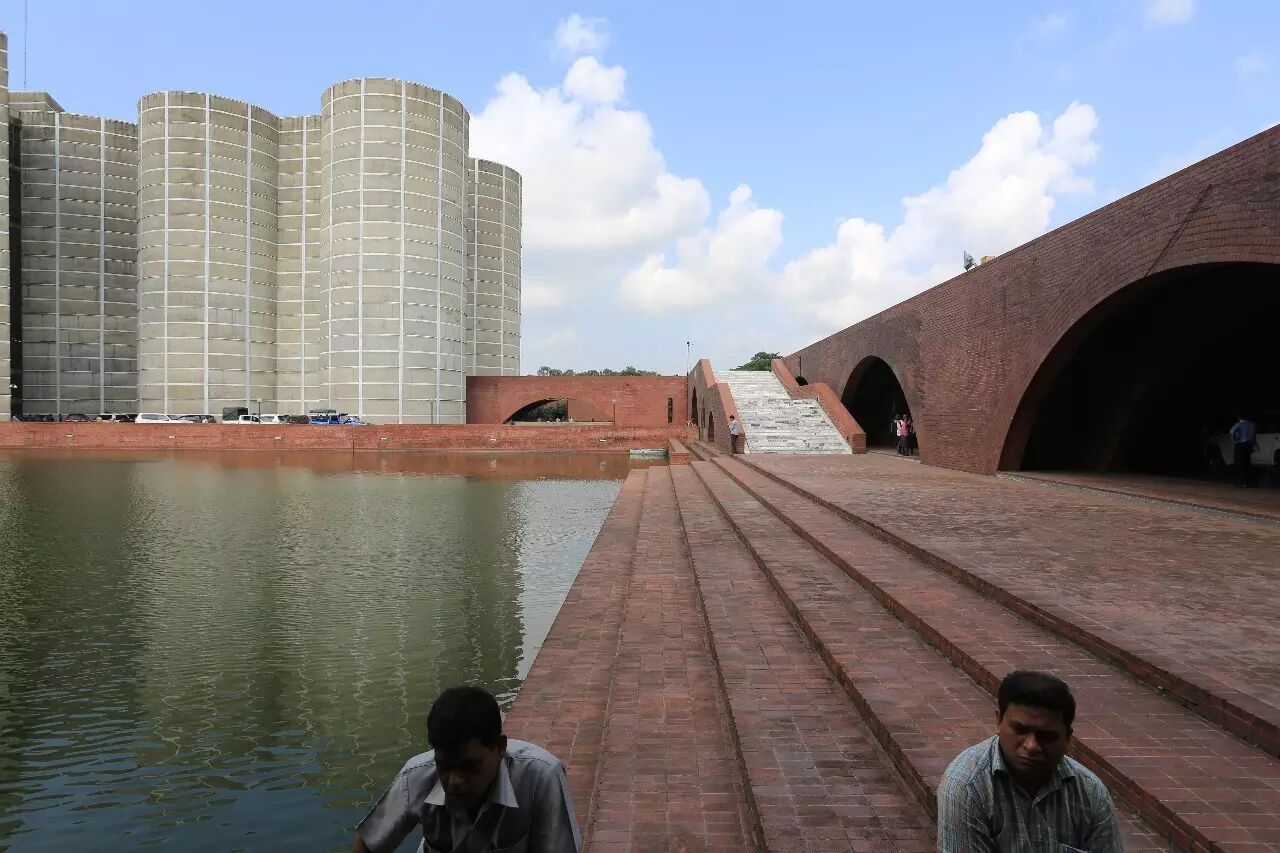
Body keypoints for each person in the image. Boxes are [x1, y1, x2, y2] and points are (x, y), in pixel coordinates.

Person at [354, 685, 581, 853]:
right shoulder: (416, 777)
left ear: (500, 747)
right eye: (444, 766)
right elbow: (368, 844)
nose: (454, 781)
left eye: (469, 766)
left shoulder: (540, 777)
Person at [936, 671, 1121, 853]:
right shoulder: (968, 787)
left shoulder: (1091, 794)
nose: (1031, 746)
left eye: (1046, 736)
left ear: (1067, 737)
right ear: (998, 722)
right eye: (1020, 730)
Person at [1230, 415, 1257, 487]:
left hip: (1240, 445)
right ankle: (1247, 481)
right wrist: (1254, 445)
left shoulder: (1239, 423)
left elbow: (1231, 431)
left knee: (1239, 463)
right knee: (1246, 463)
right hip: (1248, 445)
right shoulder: (1252, 425)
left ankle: (1241, 482)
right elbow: (1253, 436)